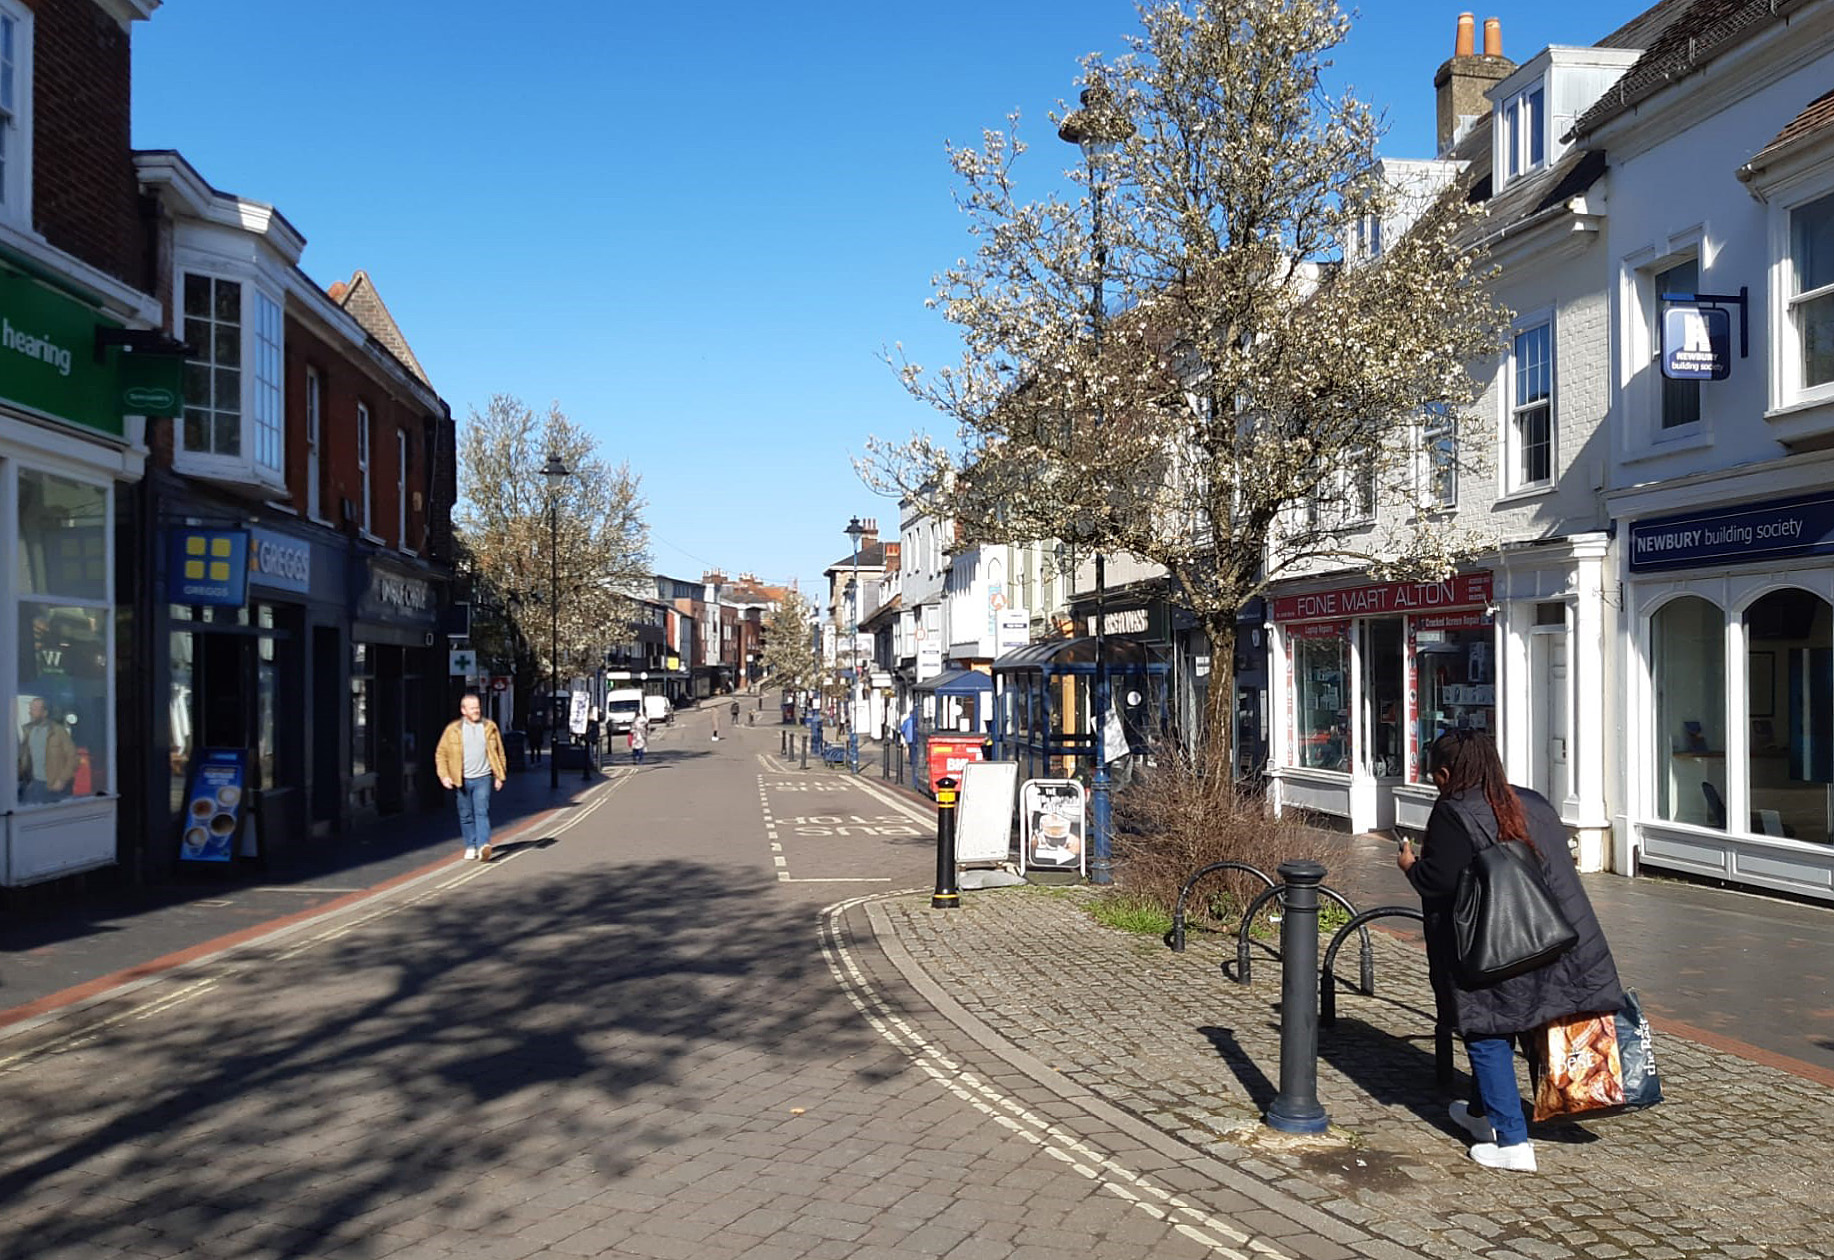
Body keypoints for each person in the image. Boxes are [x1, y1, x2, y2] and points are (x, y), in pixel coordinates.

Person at [1398, 730, 1623, 1173]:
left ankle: (1512, 1142)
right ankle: (1482, 1115)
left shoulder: (1453, 811)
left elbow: (1438, 881)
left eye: (1436, 776)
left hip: (1494, 944)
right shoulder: (1533, 801)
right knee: (1524, 1018)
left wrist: (1410, 865)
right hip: (1557, 937)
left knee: (1487, 1029)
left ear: (1445, 774)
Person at [436, 692, 507, 862]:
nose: (476, 710)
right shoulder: (452, 730)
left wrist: (500, 776)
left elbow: (499, 752)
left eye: (477, 707)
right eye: (472, 708)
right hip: (461, 779)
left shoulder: (490, 727)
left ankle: (483, 845)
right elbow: (441, 754)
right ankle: (470, 845)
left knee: (482, 812)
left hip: (483, 778)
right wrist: (444, 776)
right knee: (466, 815)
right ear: (463, 710)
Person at [18, 696, 76, 805]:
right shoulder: (28, 731)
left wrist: (62, 780)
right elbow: (24, 757)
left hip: (53, 785)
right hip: (34, 785)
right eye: (30, 709)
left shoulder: (58, 731)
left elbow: (73, 758)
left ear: (45, 712)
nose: (30, 712)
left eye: (34, 709)